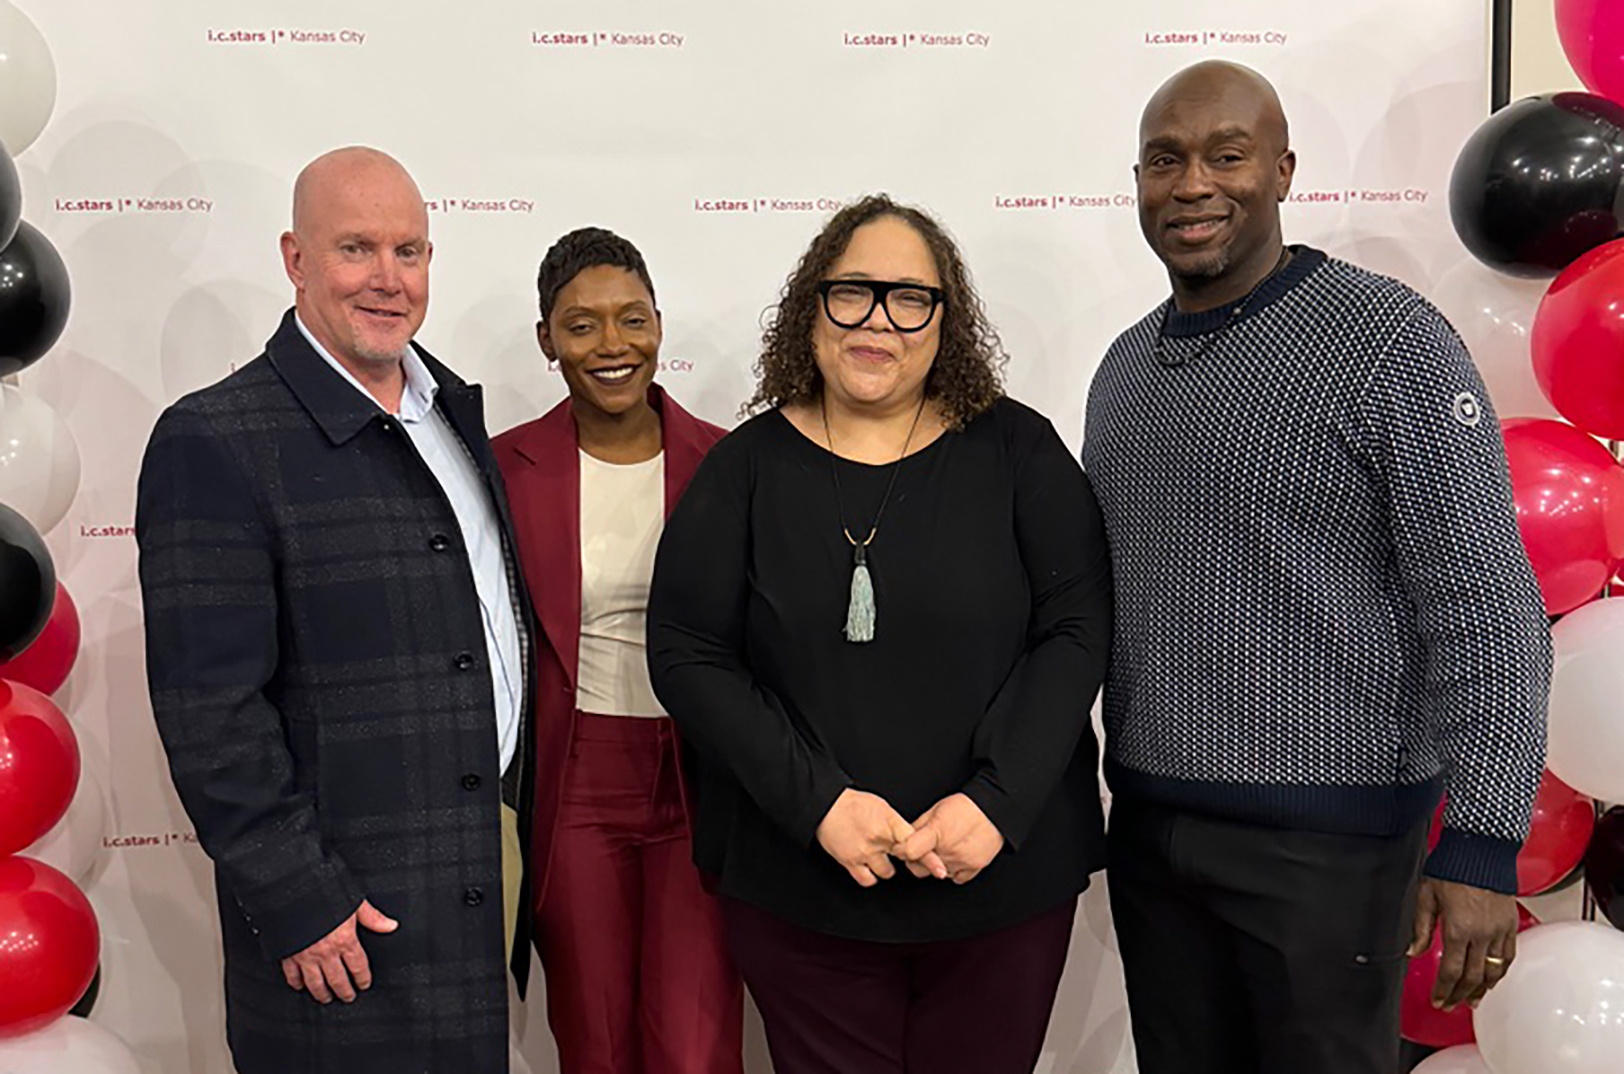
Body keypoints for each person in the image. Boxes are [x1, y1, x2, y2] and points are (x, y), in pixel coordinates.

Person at [1083, 61, 1552, 1074]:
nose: (1192, 184)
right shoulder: (1120, 371)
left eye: (1226, 154)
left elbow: (1485, 606)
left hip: (1328, 848)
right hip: (1154, 831)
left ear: (1283, 171)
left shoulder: (1388, 343)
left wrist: (1478, 842)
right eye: (1164, 161)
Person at [646, 194, 1114, 1074]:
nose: (878, 322)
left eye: (910, 298)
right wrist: (818, 802)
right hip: (802, 886)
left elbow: (1078, 628)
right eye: (851, 293)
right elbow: (686, 652)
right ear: (810, 307)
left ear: (946, 320)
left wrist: (997, 803)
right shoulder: (742, 472)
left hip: (1000, 884)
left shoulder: (1019, 453)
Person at [136, 147, 534, 1074]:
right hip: (342, 925)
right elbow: (209, 713)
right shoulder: (215, 439)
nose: (389, 280)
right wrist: (297, 898)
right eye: (357, 248)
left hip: (476, 890)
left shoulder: (454, 416)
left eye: (412, 250)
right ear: (295, 258)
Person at [492, 227, 743, 1074]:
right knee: (595, 1041)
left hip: (703, 777)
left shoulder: (727, 462)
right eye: (582, 324)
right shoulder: (505, 468)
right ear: (547, 341)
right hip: (576, 783)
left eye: (632, 320)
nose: (612, 346)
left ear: (660, 327)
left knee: (696, 1043)